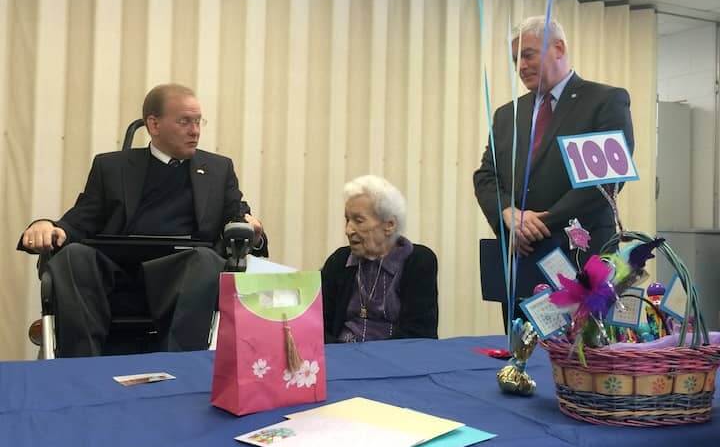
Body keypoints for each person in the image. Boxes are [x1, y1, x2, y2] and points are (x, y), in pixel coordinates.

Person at [17, 83, 268, 357]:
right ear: (154, 124)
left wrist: (252, 231)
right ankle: (83, 368)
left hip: (184, 278)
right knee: (73, 256)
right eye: (184, 121)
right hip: (115, 277)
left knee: (206, 260)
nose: (195, 131)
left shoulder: (219, 169)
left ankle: (177, 367)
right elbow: (81, 220)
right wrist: (47, 226)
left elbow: (238, 217)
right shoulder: (111, 167)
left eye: (198, 121)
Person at [473, 17, 634, 321]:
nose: (521, 66)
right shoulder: (508, 115)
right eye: (515, 59)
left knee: (582, 348)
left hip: (580, 260)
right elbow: (485, 176)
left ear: (558, 48)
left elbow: (607, 181)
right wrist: (508, 213)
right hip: (522, 261)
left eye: (528, 55)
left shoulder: (604, 101)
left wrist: (534, 223)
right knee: (519, 346)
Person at [321, 175, 438, 343]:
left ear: (389, 225)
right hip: (341, 352)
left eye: (358, 221)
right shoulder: (339, 261)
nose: (348, 230)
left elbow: (419, 333)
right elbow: (318, 324)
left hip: (394, 356)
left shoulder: (418, 262)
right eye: (347, 220)